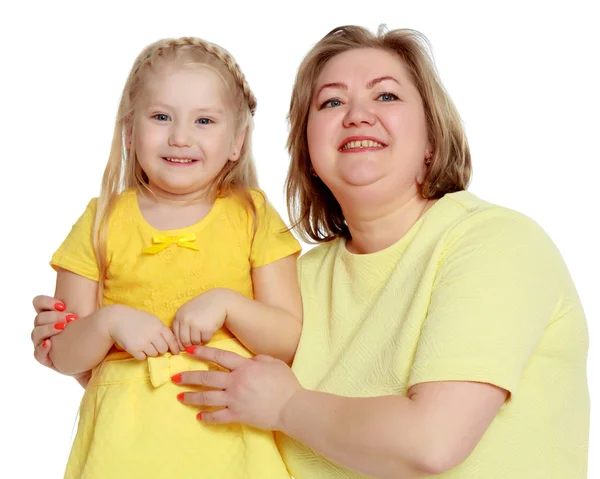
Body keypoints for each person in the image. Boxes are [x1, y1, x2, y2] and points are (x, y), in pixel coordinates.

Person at [33, 25, 589, 479]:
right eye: (331, 102)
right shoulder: (304, 275)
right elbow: (125, 369)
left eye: (387, 95)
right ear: (307, 146)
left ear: (432, 140)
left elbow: (432, 443)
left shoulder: (493, 243)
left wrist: (286, 406)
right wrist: (85, 333)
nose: (357, 113)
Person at [32, 36, 302, 479]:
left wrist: (227, 304)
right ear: (129, 132)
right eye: (161, 117)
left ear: (236, 141)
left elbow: (289, 343)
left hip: (231, 439)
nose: (180, 137)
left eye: (204, 120)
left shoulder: (253, 216)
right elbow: (61, 353)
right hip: (121, 445)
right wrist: (109, 321)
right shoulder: (101, 220)